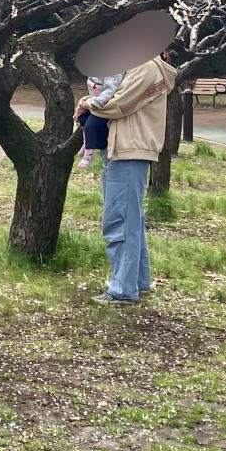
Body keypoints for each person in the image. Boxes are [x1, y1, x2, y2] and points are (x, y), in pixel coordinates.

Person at [76, 52, 179, 305]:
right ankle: (137, 281)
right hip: (123, 148)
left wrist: (86, 102)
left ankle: (122, 289)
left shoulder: (145, 67)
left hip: (129, 150)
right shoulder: (136, 65)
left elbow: (116, 104)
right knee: (131, 219)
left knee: (119, 220)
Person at [77, 73, 117, 168]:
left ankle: (89, 153)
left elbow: (111, 90)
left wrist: (95, 102)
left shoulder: (112, 72)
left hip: (104, 106)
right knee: (82, 118)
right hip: (94, 103)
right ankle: (86, 143)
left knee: (90, 125)